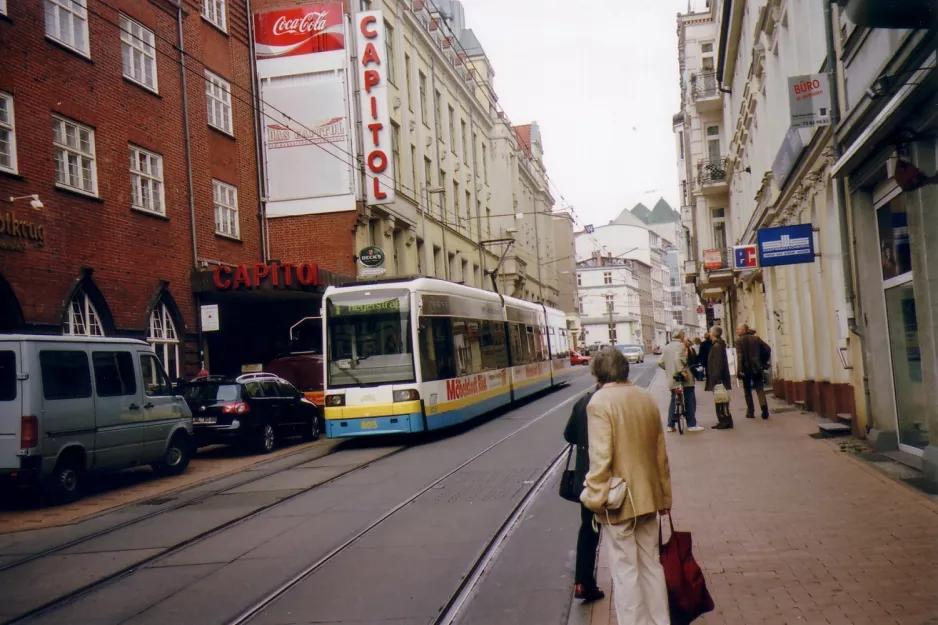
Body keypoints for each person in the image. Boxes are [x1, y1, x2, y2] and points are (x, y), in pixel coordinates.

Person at [582, 347, 672, 625]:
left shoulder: (599, 403)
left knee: (625, 571)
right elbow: (660, 454)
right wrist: (665, 497)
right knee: (651, 565)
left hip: (619, 501)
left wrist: (595, 498)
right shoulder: (646, 398)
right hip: (649, 496)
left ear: (597, 372)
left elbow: (600, 459)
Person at [564, 389, 605, 603]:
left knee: (588, 529)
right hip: (615, 479)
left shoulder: (583, 401)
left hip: (587, 478)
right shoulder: (617, 400)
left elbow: (568, 434)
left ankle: (582, 582)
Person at [659, 330, 702, 432]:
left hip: (672, 378)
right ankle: (692, 424)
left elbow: (660, 362)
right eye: (684, 335)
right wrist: (683, 372)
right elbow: (678, 360)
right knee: (690, 398)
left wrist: (669, 369)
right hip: (684, 377)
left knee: (674, 399)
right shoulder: (681, 346)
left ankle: (670, 425)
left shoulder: (667, 347)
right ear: (681, 336)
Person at [735, 323, 771, 419]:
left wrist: (740, 370)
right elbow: (767, 349)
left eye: (738, 329)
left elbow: (740, 357)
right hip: (757, 367)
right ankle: (764, 410)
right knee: (759, 388)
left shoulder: (739, 341)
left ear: (743, 330)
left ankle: (750, 412)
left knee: (747, 391)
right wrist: (762, 361)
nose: (736, 331)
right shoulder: (756, 338)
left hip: (745, 369)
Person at [706, 326, 733, 429]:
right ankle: (723, 420)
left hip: (718, 379)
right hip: (719, 378)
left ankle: (725, 421)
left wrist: (716, 379)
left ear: (713, 334)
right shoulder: (718, 345)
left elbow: (718, 364)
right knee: (721, 400)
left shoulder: (717, 346)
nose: (709, 334)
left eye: (710, 332)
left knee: (721, 400)